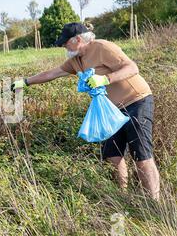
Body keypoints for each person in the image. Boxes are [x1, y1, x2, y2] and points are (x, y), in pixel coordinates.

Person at [11, 23, 160, 201]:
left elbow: (132, 68)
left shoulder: (103, 47)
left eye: (65, 43)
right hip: (110, 110)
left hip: (136, 101)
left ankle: (153, 203)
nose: (63, 46)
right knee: (112, 156)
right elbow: (53, 73)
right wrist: (25, 82)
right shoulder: (76, 59)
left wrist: (105, 79)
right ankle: (123, 197)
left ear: (78, 39)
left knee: (141, 155)